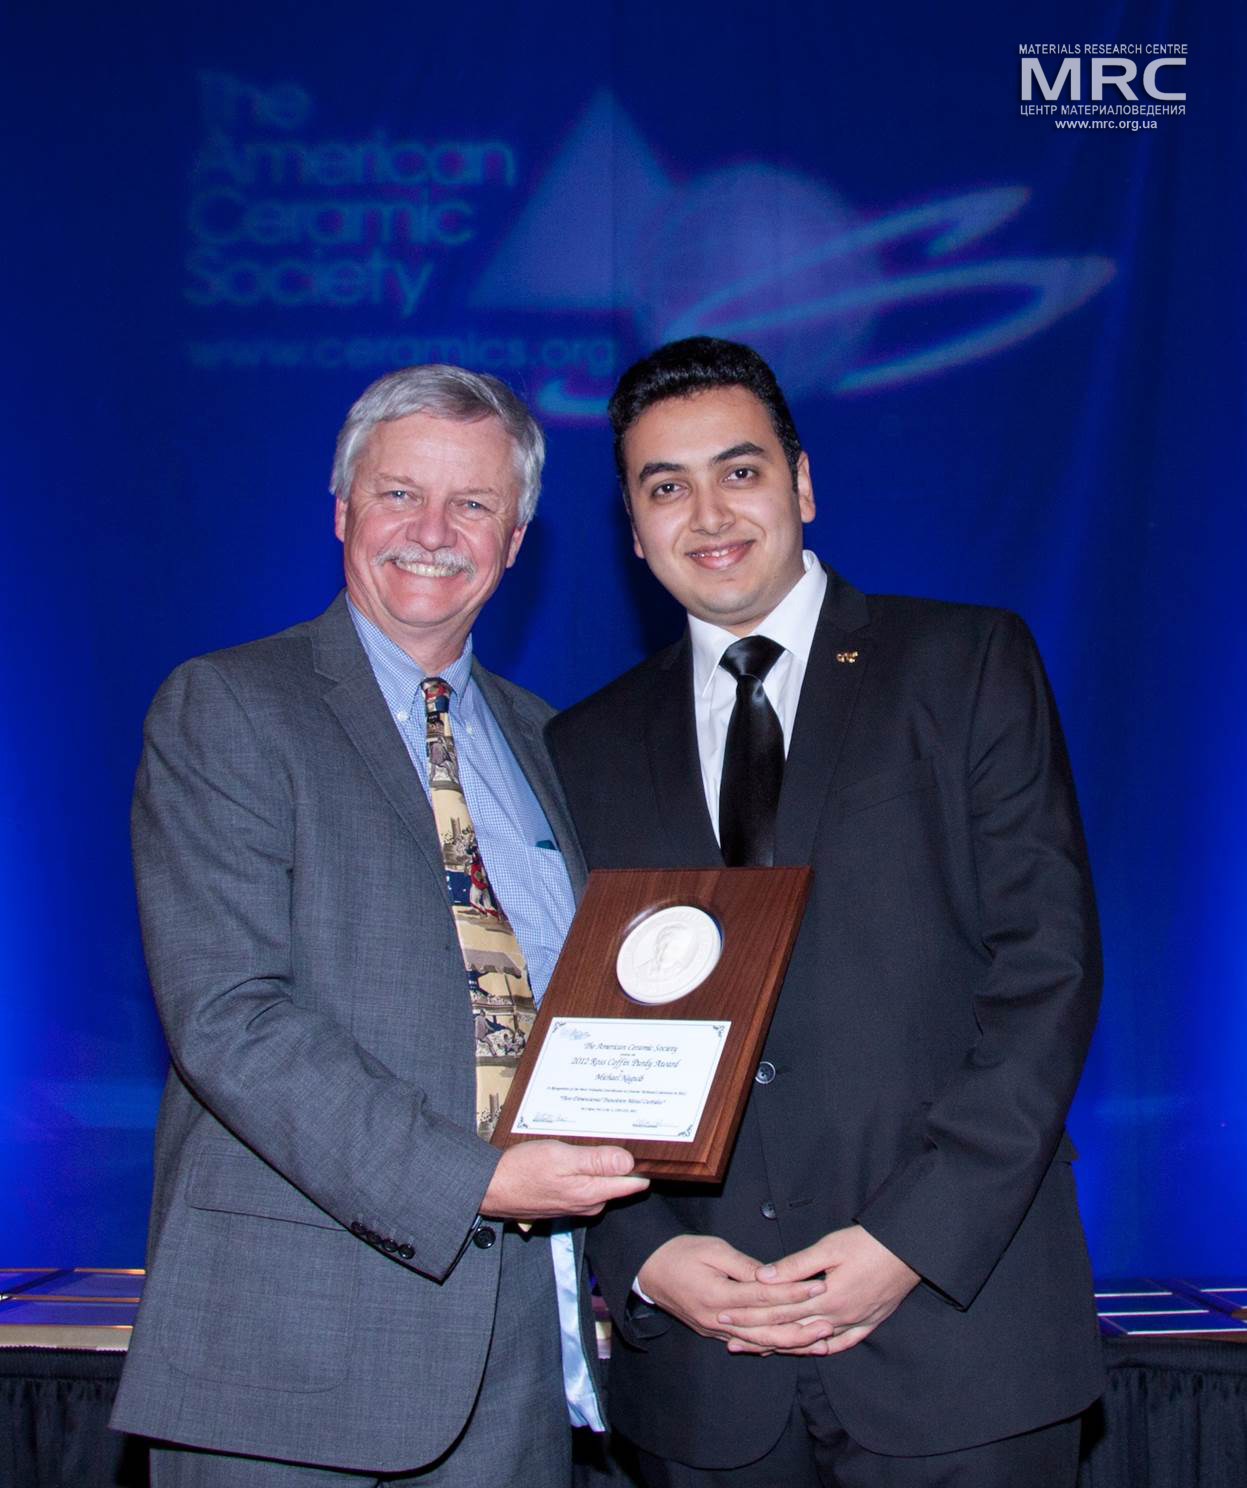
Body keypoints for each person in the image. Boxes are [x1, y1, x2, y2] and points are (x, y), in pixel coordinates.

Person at [546, 337, 1104, 1487]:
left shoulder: (961, 663)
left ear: (800, 484)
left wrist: (908, 1241)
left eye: (737, 471)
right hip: (705, 1372)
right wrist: (645, 1257)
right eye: (664, 486)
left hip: (959, 1342)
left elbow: (1045, 972)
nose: (706, 512)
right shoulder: (585, 745)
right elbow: (576, 1040)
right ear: (633, 526)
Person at [111, 365, 648, 1486]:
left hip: (512, 1369)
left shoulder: (554, 745)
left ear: (514, 543)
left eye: (473, 507)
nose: (432, 533)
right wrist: (477, 1181)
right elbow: (231, 1019)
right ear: (342, 509)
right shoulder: (228, 706)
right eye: (400, 494)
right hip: (288, 1363)